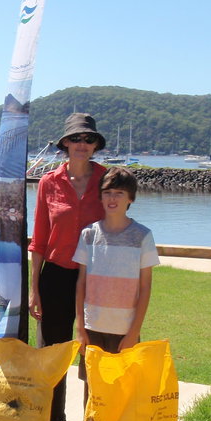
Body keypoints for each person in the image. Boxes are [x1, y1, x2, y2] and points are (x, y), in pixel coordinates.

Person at [28, 112, 108, 421]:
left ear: (95, 145)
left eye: (88, 139)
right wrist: (34, 288)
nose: (82, 145)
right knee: (53, 352)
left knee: (97, 350)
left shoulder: (107, 180)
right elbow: (40, 239)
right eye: (76, 139)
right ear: (65, 144)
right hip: (57, 276)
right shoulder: (49, 182)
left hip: (97, 275)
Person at [74, 167, 160, 406]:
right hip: (93, 328)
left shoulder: (142, 236)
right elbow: (81, 284)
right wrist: (80, 328)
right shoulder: (89, 235)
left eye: (119, 193)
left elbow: (145, 289)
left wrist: (133, 332)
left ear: (130, 198)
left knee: (123, 391)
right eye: (108, 192)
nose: (112, 198)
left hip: (125, 330)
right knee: (93, 391)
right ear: (100, 197)